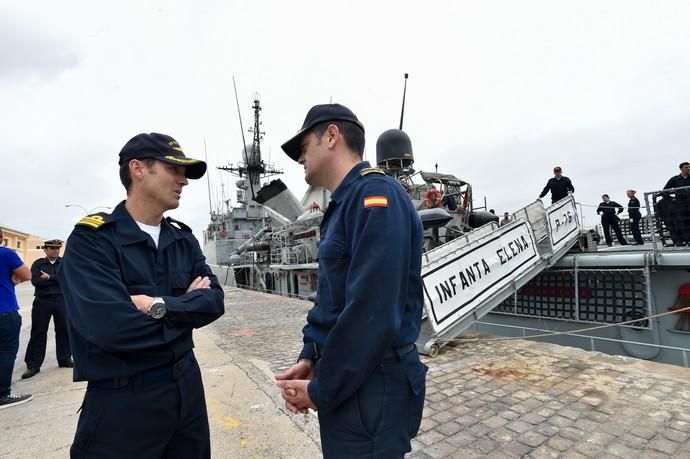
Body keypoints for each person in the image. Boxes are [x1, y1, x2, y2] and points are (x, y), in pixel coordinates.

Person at [58, 133, 225, 458]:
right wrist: (186, 310)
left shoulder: (182, 240)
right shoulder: (92, 241)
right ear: (137, 168)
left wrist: (156, 305)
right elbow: (111, 329)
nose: (183, 181)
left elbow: (214, 301)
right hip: (122, 402)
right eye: (174, 169)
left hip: (187, 392)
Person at [275, 104, 427, 458]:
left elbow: (372, 312)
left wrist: (321, 390)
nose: (300, 156)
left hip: (373, 385)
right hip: (351, 378)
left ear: (331, 136)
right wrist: (310, 356)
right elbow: (332, 298)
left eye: (303, 145)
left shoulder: (376, 197)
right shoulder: (344, 204)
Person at [21, 239, 72, 379]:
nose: (55, 250)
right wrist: (56, 279)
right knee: (38, 331)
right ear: (45, 250)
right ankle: (33, 365)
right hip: (42, 301)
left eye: (57, 248)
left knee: (64, 330)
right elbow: (35, 281)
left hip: (61, 300)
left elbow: (67, 278)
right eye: (52, 248)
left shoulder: (65, 263)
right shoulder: (38, 264)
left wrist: (49, 277)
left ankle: (64, 359)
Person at [0, 227, 33, 409]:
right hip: (4, 311)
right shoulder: (5, 254)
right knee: (6, 351)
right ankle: (2, 394)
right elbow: (27, 275)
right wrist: (13, 280)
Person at [663, 161, 690, 246]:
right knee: (682, 223)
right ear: (681, 169)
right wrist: (672, 199)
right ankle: (684, 240)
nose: (688, 169)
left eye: (689, 167)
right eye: (686, 167)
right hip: (681, 205)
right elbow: (665, 190)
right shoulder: (674, 179)